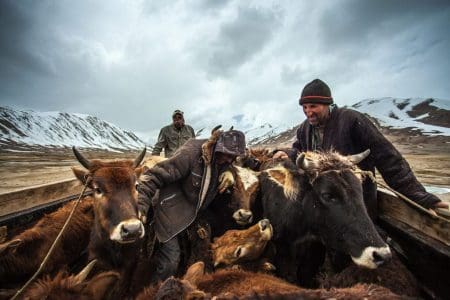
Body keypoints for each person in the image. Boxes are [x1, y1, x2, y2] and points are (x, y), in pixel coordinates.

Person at [274, 79, 448, 218]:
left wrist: (419, 196)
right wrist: (287, 153)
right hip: (326, 202)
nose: (308, 112)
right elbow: (299, 151)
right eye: (305, 107)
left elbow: (387, 157)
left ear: (327, 104)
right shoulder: (305, 128)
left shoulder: (351, 120)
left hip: (358, 202)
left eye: (313, 106)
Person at [138, 127, 246, 283]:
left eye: (233, 157)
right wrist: (141, 207)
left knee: (203, 253)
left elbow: (230, 165)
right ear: (217, 146)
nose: (229, 160)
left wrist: (230, 172)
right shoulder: (191, 154)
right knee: (171, 261)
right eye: (227, 154)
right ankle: (155, 290)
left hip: (194, 213)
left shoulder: (223, 160)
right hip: (171, 211)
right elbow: (153, 176)